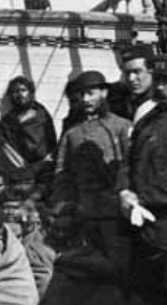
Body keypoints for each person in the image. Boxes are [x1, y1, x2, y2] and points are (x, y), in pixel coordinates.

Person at [117, 53, 167, 305]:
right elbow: (129, 161)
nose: (164, 86)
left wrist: (144, 197)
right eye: (161, 79)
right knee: (153, 304)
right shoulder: (148, 119)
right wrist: (124, 192)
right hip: (145, 229)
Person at [52, 70, 132, 282]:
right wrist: (63, 205)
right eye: (82, 94)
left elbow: (131, 165)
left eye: (91, 93)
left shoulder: (121, 126)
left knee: (118, 269)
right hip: (84, 211)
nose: (86, 99)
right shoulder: (72, 133)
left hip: (115, 214)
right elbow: (62, 172)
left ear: (104, 92)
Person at [0, 76, 58, 188]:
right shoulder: (7, 122)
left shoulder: (42, 115)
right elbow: (4, 147)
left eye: (23, 90)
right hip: (20, 175)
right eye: (15, 91)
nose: (20, 95)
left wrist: (44, 161)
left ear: (31, 92)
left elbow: (50, 140)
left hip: (45, 170)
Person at [109, 44, 157, 124]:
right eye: (127, 73)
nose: (131, 78)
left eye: (137, 72)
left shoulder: (166, 100)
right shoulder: (116, 99)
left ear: (151, 70)